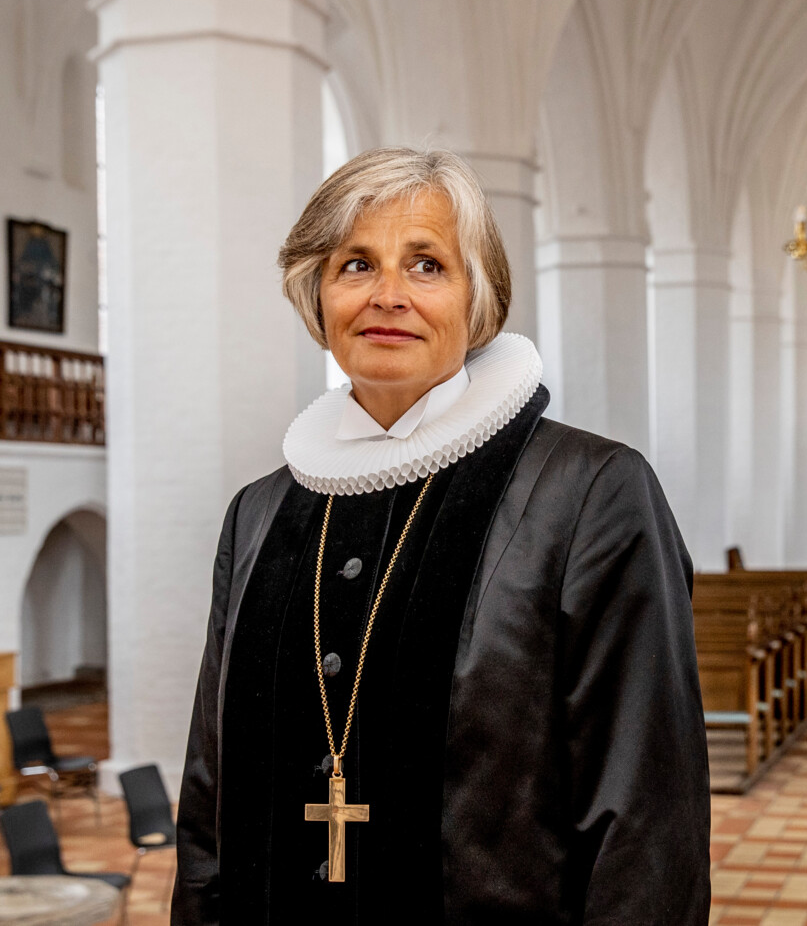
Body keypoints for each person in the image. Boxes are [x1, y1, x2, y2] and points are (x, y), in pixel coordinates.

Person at [173, 148, 711, 924]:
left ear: (479, 300)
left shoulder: (591, 493)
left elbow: (647, 827)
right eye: (356, 265)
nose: (388, 295)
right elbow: (207, 800)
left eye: (427, 265)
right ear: (317, 296)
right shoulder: (258, 514)